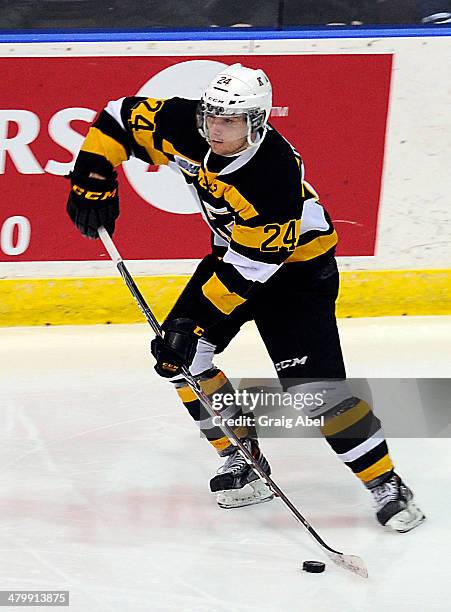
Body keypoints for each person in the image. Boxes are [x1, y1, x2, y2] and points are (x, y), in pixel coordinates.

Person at [66, 63, 425, 531]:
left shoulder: (272, 174)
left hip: (296, 273)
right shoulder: (189, 125)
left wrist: (189, 322)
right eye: (211, 117)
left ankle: (387, 483)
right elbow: (117, 117)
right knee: (183, 360)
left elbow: (251, 270)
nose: (215, 128)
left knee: (315, 392)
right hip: (233, 255)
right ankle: (242, 457)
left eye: (230, 121)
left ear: (256, 124)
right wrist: (93, 173)